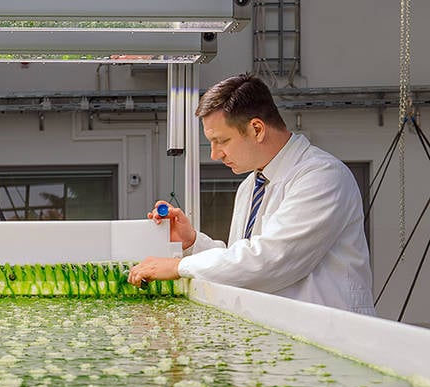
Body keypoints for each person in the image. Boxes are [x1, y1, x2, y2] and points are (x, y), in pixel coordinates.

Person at [127, 74, 376, 315]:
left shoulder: (321, 176)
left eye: (221, 141)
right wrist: (192, 243)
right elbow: (241, 262)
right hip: (282, 339)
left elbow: (271, 261)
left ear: (257, 129)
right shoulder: (251, 185)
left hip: (331, 337)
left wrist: (178, 267)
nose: (215, 154)